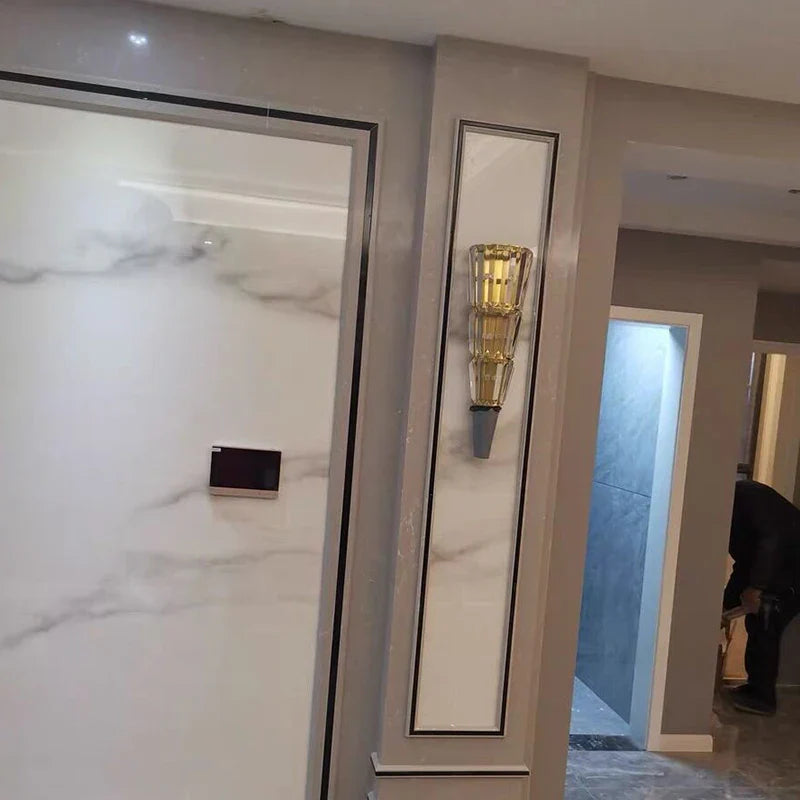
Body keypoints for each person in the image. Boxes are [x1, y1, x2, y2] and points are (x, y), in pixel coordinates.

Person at [724, 480, 800, 715]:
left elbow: (771, 541)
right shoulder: (734, 512)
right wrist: (724, 606)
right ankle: (755, 688)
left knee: (766, 618)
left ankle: (763, 698)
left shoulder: (747, 498)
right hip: (783, 566)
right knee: (758, 620)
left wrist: (756, 588)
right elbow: (744, 563)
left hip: (793, 567)